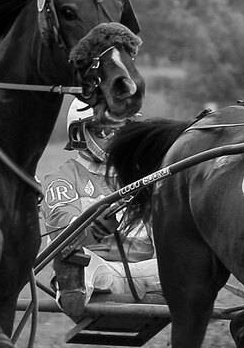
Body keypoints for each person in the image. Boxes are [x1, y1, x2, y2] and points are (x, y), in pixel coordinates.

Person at [40, 100, 160, 318]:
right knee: (76, 262)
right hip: (98, 272)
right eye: (104, 131)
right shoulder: (61, 179)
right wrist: (96, 226)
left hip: (147, 270)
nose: (115, 138)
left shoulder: (145, 176)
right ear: (80, 134)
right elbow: (63, 235)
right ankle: (71, 289)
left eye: (121, 130)